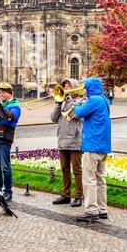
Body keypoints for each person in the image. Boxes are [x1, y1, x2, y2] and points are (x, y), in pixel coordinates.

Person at [73, 77, 111, 222]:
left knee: (89, 179)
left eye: (86, 88)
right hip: (103, 145)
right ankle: (102, 209)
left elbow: (78, 113)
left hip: (93, 144)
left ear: (90, 88)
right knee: (101, 179)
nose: (85, 91)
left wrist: (77, 104)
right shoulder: (104, 99)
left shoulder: (94, 100)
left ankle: (91, 210)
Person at [51, 79, 83, 207]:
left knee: (77, 170)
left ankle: (79, 196)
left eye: (68, 86)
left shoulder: (80, 101)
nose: (66, 88)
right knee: (64, 169)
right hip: (62, 140)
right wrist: (58, 104)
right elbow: (53, 118)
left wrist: (68, 99)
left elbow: (76, 114)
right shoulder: (62, 101)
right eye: (64, 86)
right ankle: (66, 195)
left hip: (75, 141)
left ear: (74, 87)